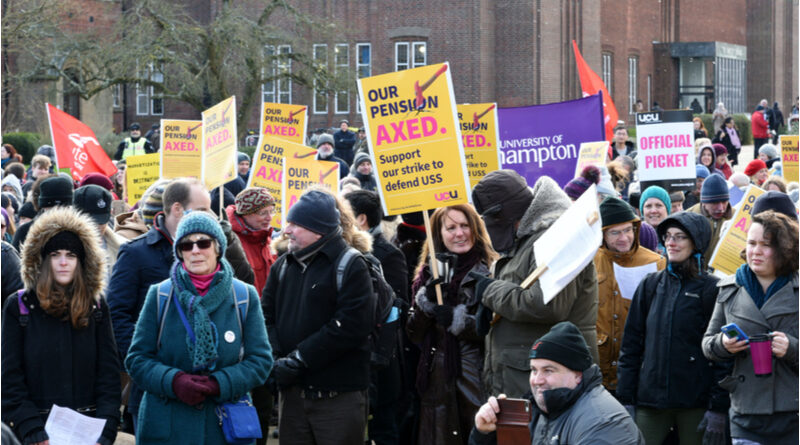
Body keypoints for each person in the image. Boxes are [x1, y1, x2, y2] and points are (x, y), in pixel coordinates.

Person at [107, 178, 254, 429]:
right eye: (202, 209)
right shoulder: (136, 253)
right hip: (157, 389)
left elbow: (241, 286)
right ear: (177, 209)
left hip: (213, 397)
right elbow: (117, 313)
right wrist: (151, 365)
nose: (210, 214)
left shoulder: (216, 245)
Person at [125, 211, 272, 444]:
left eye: (203, 243)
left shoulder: (244, 296)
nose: (195, 250)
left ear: (218, 248)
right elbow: (137, 359)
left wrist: (220, 383)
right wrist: (174, 381)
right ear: (179, 252)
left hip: (223, 428)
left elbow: (261, 361)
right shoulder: (160, 295)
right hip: (168, 426)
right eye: (186, 245)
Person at [471, 170, 599, 397]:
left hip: (550, 380)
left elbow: (546, 304)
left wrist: (489, 290)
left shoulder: (556, 238)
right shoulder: (527, 239)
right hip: (523, 375)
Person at [262, 189, 375, 443]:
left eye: (295, 224)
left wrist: (298, 361)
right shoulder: (282, 265)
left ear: (319, 229)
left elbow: (350, 326)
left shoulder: (351, 264)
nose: (286, 230)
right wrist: (275, 358)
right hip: (292, 398)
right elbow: (265, 316)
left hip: (337, 400)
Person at [1, 207, 121, 445]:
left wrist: (105, 431)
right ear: (43, 259)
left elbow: (108, 375)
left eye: (71, 255)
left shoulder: (96, 307)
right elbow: (9, 379)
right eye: (55, 254)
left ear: (82, 260)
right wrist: (31, 428)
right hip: (36, 434)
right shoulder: (20, 306)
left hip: (89, 433)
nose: (64, 262)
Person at [617, 212, 729, 445]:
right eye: (668, 236)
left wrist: (718, 407)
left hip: (695, 404)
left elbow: (723, 354)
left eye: (680, 237)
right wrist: (626, 399)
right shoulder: (650, 285)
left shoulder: (713, 289)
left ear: (696, 242)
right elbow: (631, 345)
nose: (671, 243)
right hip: (650, 402)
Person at [702, 210, 798, 445]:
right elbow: (707, 344)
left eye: (765, 245)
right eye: (751, 243)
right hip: (745, 415)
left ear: (784, 248)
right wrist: (724, 345)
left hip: (792, 415)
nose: (755, 251)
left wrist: (792, 348)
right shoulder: (729, 288)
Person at [405, 205, 497, 444]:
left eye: (465, 225)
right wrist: (427, 305)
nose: (459, 233)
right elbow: (413, 334)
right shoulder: (427, 275)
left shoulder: (489, 270)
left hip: (475, 377)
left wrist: (456, 320)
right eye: (451, 227)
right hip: (435, 381)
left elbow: (493, 328)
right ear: (439, 234)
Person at [469, 321, 643, 445]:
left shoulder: (603, 423)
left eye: (548, 370)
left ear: (578, 375)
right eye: (534, 370)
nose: (537, 380)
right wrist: (486, 434)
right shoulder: (541, 409)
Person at [344, 189, 409, 445]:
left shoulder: (388, 254)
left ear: (361, 219)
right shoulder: (342, 253)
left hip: (382, 360)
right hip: (352, 361)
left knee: (383, 428)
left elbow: (397, 306)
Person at [594, 197, 666, 395]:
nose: (624, 238)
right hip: (598, 367)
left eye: (628, 230)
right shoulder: (589, 262)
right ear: (602, 234)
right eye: (615, 232)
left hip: (640, 366)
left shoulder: (657, 263)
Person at [225, 187, 276, 299]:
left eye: (271, 211)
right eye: (263, 213)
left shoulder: (266, 238)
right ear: (246, 214)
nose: (269, 218)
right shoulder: (231, 242)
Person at [12, 174, 74, 251]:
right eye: (52, 208)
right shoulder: (26, 231)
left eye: (64, 207)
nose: (58, 212)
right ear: (43, 207)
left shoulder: (79, 231)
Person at [686, 174, 733, 268]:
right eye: (715, 202)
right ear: (703, 202)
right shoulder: (687, 218)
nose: (720, 208)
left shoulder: (737, 218)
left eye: (724, 202)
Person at [639, 185, 671, 255]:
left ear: (667, 209)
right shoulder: (634, 237)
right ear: (642, 211)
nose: (653, 211)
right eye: (648, 206)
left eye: (658, 205)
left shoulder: (677, 235)